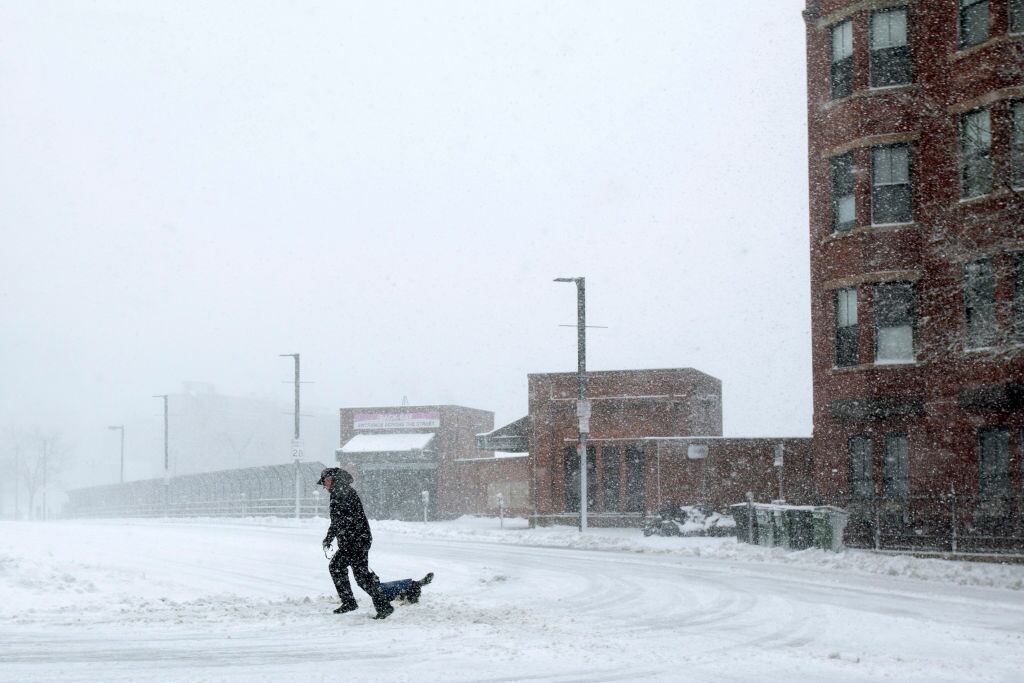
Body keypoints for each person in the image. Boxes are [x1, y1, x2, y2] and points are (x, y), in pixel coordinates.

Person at [317, 467, 393, 619]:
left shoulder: (343, 493)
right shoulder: (339, 493)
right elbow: (338, 521)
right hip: (352, 541)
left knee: (360, 577)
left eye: (326, 481)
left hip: (356, 541)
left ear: (334, 479)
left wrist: (334, 536)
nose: (324, 486)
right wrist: (330, 537)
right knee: (338, 567)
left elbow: (343, 520)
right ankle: (349, 602)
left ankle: (383, 606)